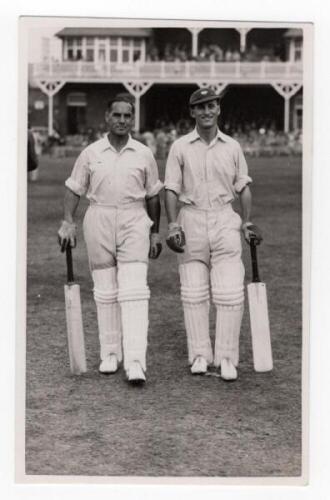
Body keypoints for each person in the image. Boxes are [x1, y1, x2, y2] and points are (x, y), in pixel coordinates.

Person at [58, 93, 163, 384]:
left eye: (127, 116)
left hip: (134, 219)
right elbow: (74, 188)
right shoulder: (91, 153)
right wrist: (67, 222)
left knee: (134, 290)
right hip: (99, 218)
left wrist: (155, 232)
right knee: (104, 291)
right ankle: (110, 353)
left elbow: (153, 194)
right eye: (116, 115)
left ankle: (135, 361)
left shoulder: (143, 153)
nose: (121, 120)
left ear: (133, 119)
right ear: (107, 117)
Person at [164, 88, 262, 381]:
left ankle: (227, 358)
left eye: (212, 106)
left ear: (219, 109)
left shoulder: (232, 146)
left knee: (230, 292)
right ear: (192, 112)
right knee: (193, 293)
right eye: (201, 107)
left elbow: (242, 186)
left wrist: (246, 222)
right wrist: (172, 225)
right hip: (191, 218)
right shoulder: (180, 147)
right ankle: (199, 355)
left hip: (224, 218)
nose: (207, 111)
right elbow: (170, 187)